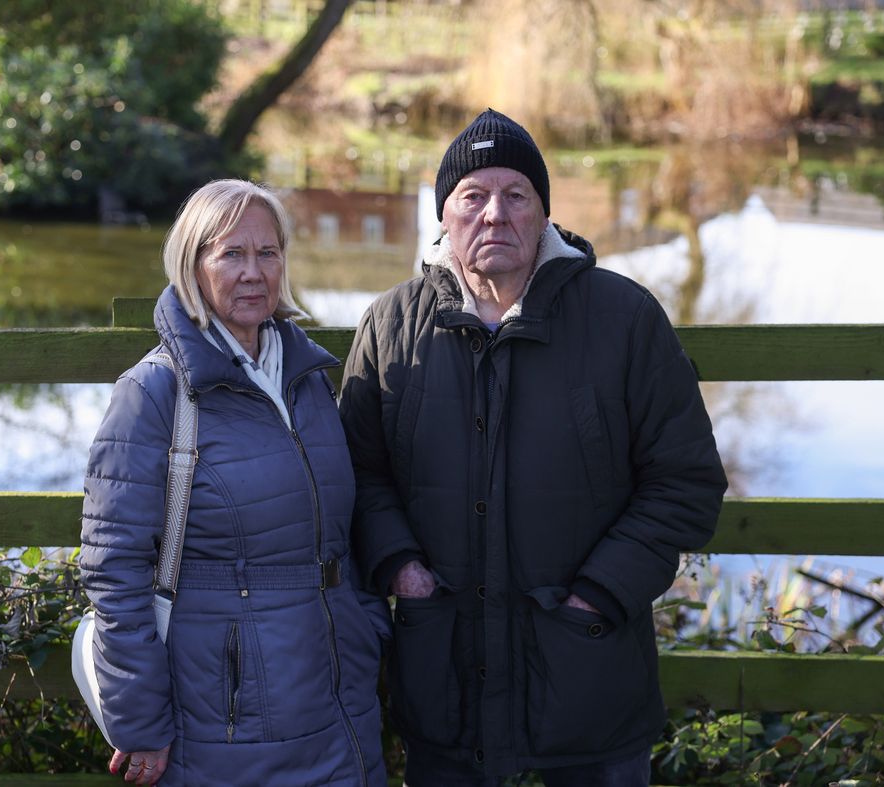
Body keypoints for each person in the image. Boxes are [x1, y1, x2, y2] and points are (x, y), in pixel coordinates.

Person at [339, 109, 728, 786]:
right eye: (473, 196)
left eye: (516, 195)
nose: (495, 214)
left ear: (544, 213)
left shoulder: (624, 318)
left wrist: (597, 596)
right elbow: (358, 473)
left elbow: (685, 481)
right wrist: (403, 568)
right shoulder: (389, 325)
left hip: (589, 687)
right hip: (444, 688)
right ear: (444, 216)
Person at [80, 179, 389, 786]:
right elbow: (114, 570)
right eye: (231, 254)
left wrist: (366, 625)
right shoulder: (154, 394)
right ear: (192, 266)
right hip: (225, 721)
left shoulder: (307, 381)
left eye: (267, 253)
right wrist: (140, 720)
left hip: (338, 702)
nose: (254, 273)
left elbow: (343, 534)